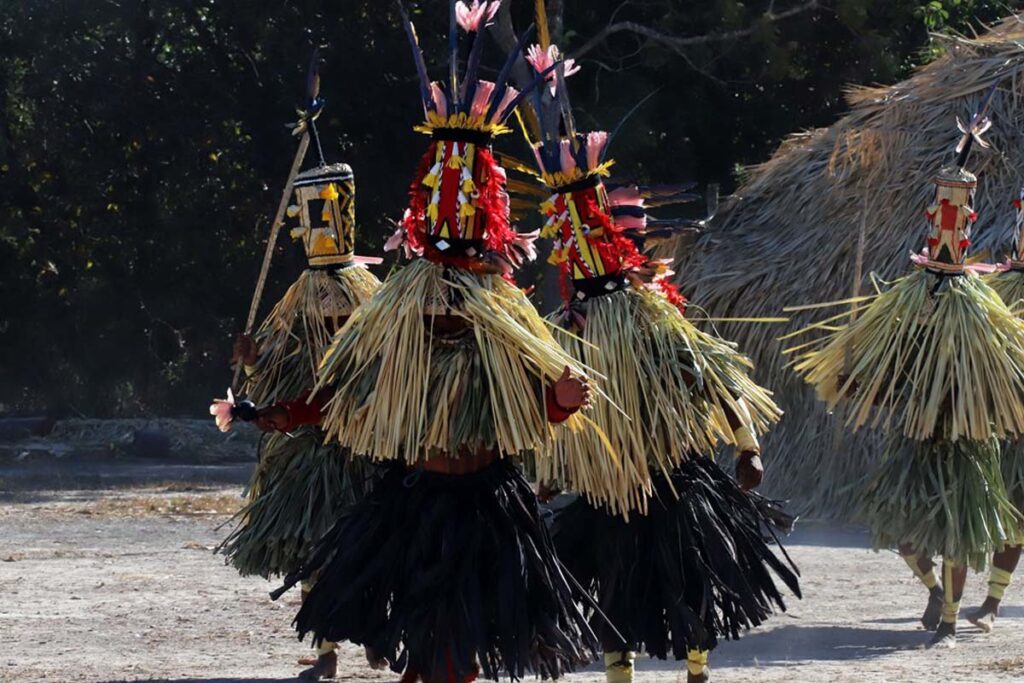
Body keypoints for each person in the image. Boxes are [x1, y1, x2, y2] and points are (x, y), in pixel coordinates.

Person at [252, 4, 616, 681]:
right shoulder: (397, 317)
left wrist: (562, 401)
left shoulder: (503, 319)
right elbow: (344, 393)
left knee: (462, 647)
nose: (447, 305)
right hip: (415, 499)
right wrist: (289, 412)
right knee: (427, 646)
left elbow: (535, 400)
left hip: (487, 501)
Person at [518, 42, 800, 683]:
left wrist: (746, 445)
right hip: (606, 485)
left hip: (674, 474)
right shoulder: (565, 330)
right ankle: (620, 674)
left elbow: (716, 377)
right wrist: (549, 467)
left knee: (688, 577)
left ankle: (697, 671)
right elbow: (550, 408)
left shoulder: (653, 316)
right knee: (612, 589)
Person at [786, 121, 1024, 648]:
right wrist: (858, 383)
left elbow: (1006, 376)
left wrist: (1001, 415)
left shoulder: (983, 322)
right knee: (903, 537)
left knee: (962, 535)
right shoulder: (913, 316)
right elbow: (888, 374)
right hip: (916, 442)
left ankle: (955, 619)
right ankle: (937, 592)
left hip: (969, 442)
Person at [210, 99, 382, 678]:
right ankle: (328, 654)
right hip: (308, 448)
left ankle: (379, 632)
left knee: (374, 543)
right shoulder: (295, 302)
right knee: (313, 548)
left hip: (366, 444)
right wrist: (252, 362)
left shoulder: (373, 297)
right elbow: (273, 376)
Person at [968, 190, 1024, 633]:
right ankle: (981, 601)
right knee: (1007, 518)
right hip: (1001, 429)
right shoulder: (992, 296)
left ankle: (991, 602)